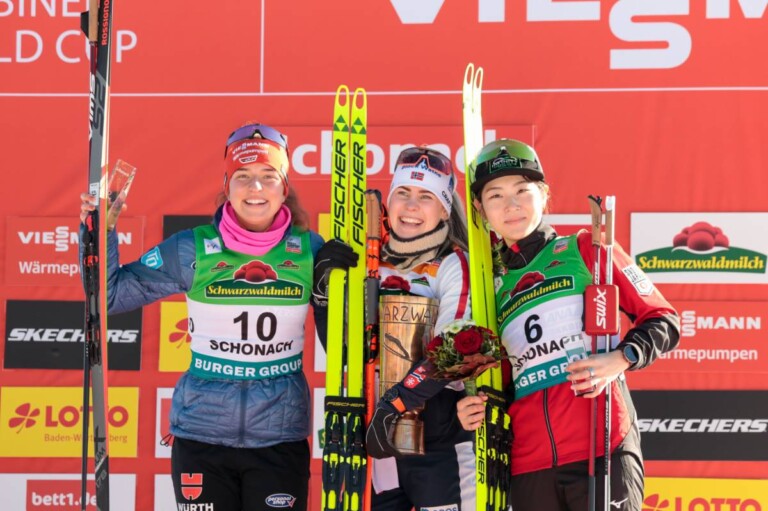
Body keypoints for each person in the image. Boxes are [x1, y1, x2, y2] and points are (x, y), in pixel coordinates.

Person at [79, 123, 356, 511]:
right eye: (243, 177)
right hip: (202, 438)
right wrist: (98, 230)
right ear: (227, 185)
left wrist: (337, 289)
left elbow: (346, 344)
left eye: (267, 177)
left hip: (278, 440)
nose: (255, 189)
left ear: (284, 188)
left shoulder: (310, 250)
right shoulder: (192, 249)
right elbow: (108, 297)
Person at [455, 140, 680, 511]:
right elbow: (502, 376)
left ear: (543, 195)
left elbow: (663, 319)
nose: (511, 205)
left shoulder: (586, 247)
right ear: (480, 209)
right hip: (528, 462)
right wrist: (473, 404)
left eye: (522, 191)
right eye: (495, 195)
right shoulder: (488, 287)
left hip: (601, 444)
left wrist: (621, 358)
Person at [360, 146, 475, 511]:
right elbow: (347, 348)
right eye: (403, 193)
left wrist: (396, 402)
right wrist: (323, 297)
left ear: (443, 209)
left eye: (426, 197)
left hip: (439, 434)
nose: (411, 206)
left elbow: (454, 348)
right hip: (382, 437)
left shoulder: (453, 264)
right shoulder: (370, 264)